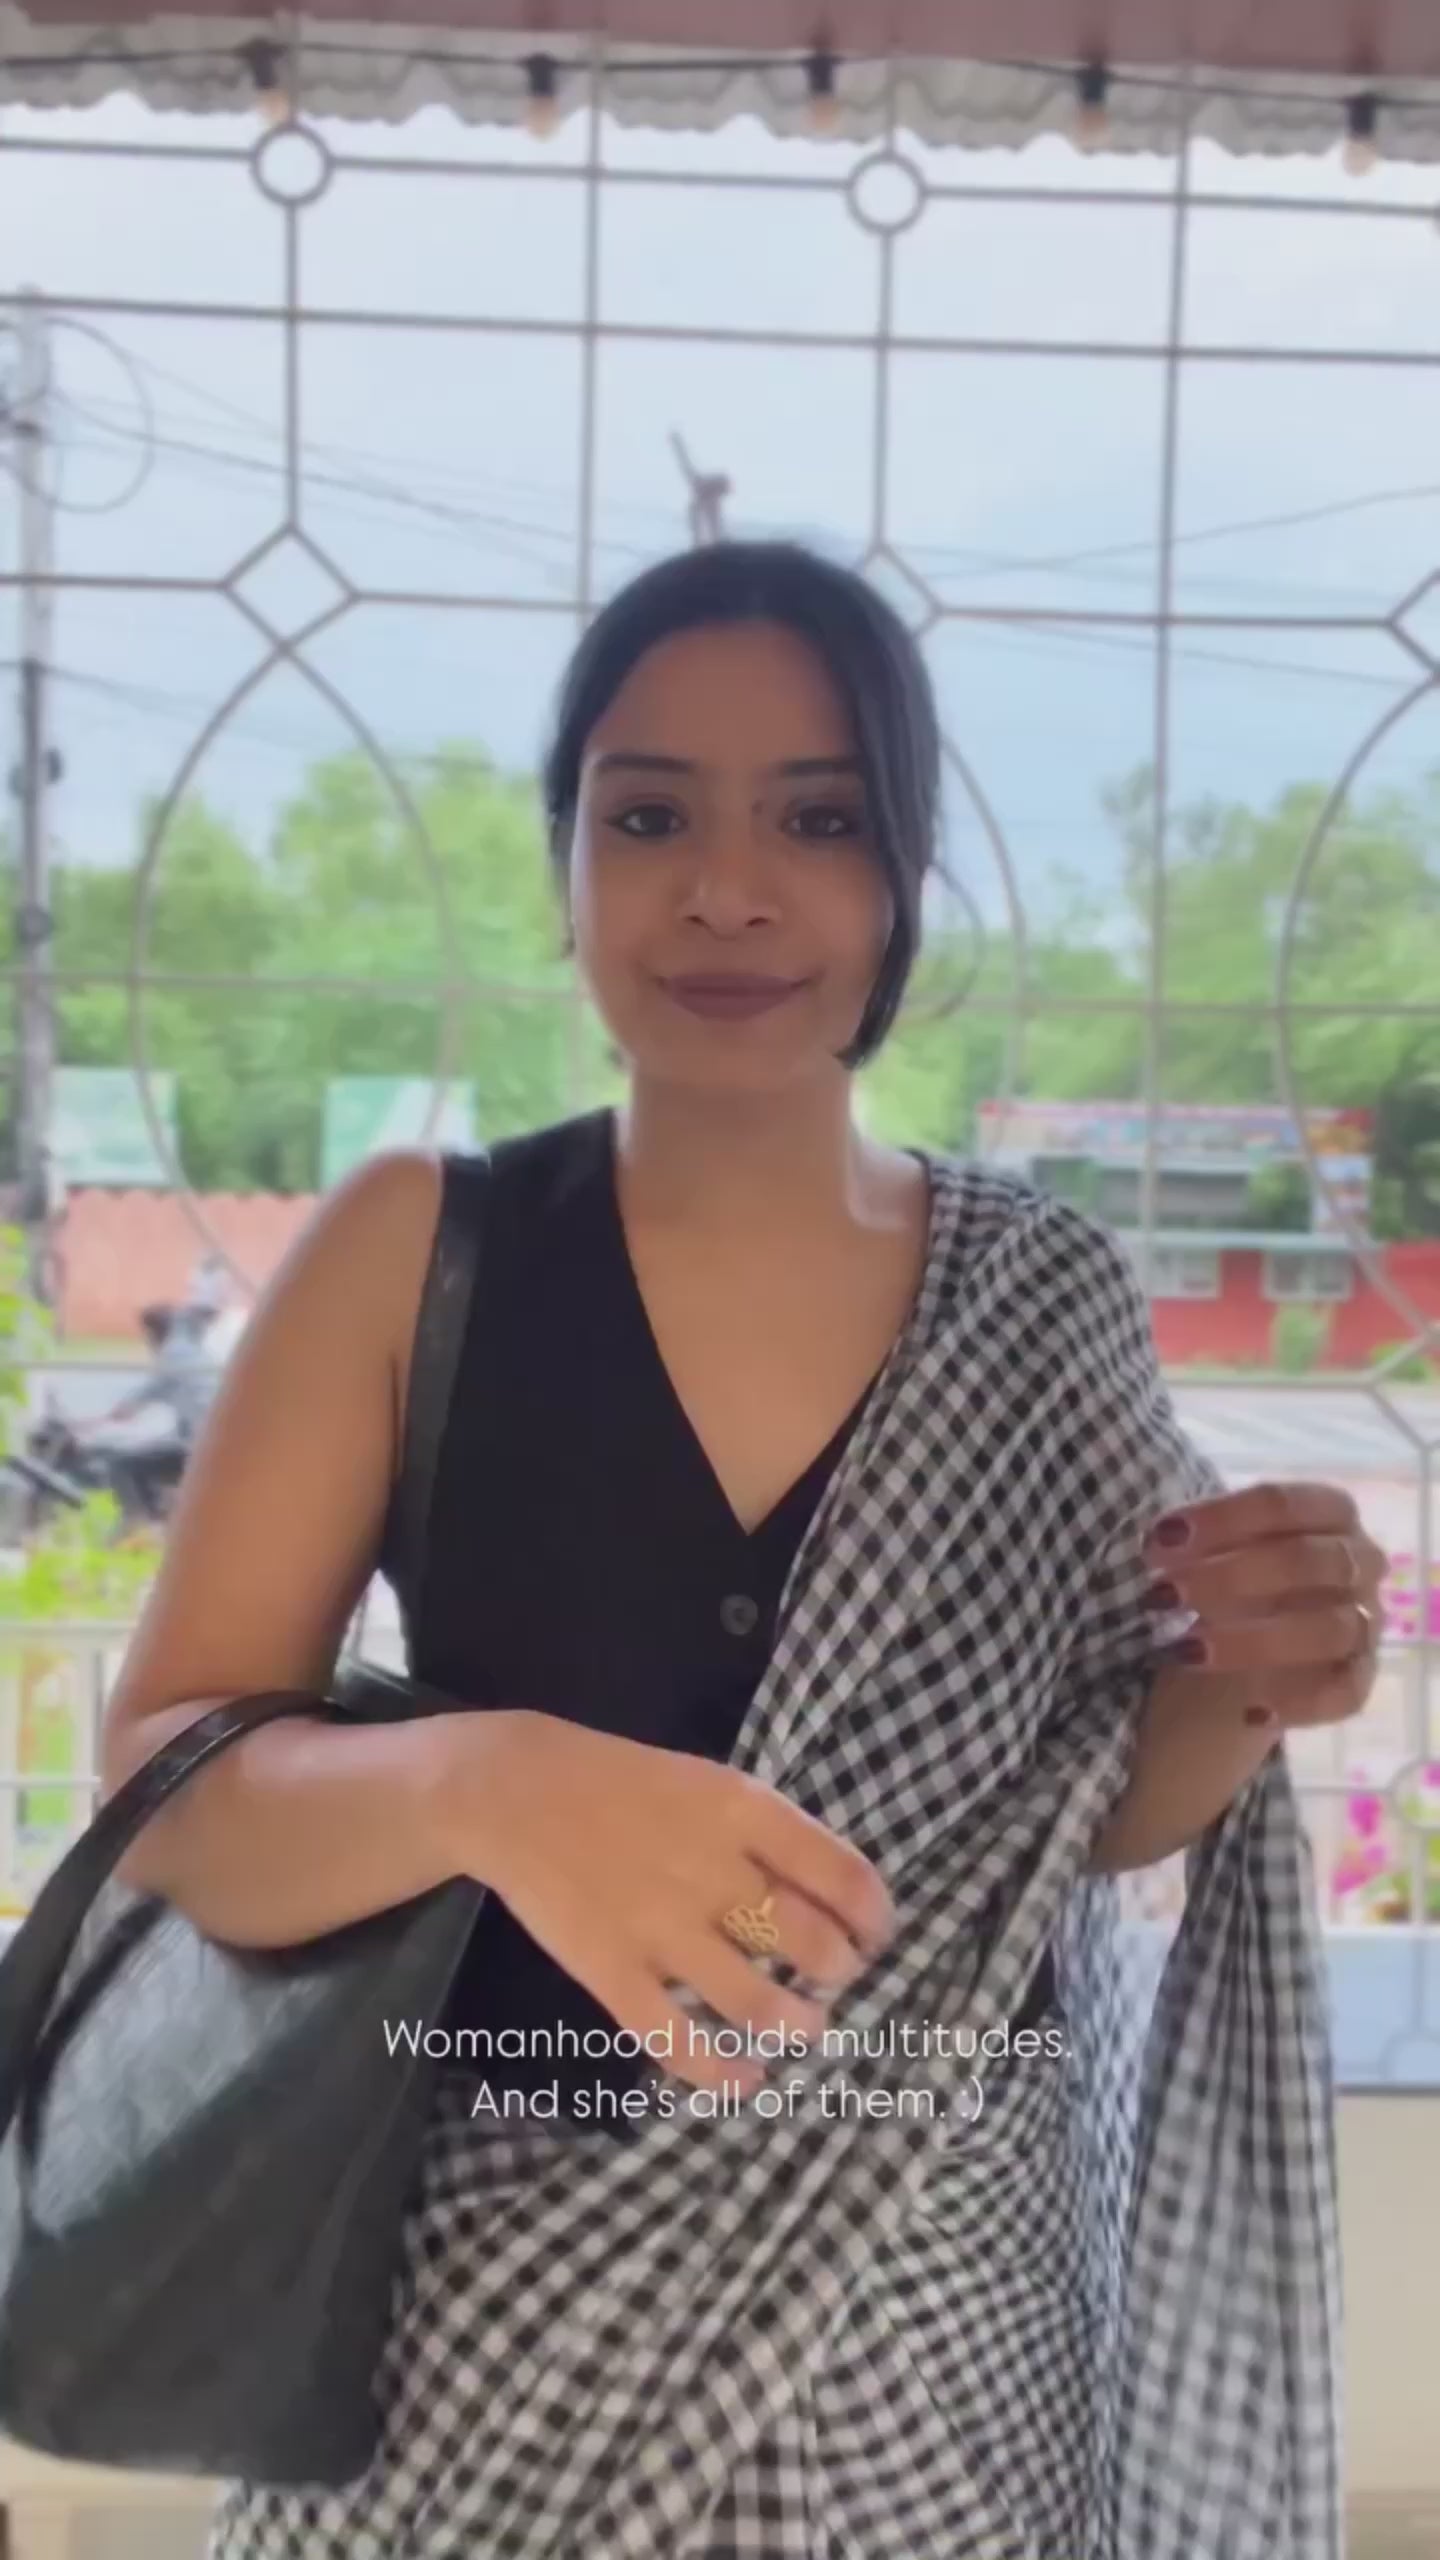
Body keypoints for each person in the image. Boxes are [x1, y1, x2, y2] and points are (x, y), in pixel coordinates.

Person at [97, 543, 1380, 2558]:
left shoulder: (1035, 1298)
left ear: (901, 880)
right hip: (484, 2332)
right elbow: (172, 1782)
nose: (726, 889)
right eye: (648, 817)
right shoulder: (415, 1255)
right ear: (566, 864)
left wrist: (1256, 1669)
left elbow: (1084, 1801)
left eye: (818, 818)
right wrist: (482, 1781)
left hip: (940, 2317)